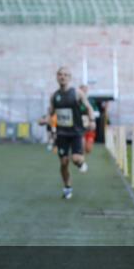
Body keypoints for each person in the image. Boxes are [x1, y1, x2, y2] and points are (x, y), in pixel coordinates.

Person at [39, 66, 95, 200]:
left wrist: (92, 120)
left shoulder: (76, 93)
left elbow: (89, 108)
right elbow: (50, 113)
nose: (62, 77)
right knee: (64, 163)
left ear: (69, 78)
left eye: (65, 75)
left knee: (75, 159)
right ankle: (67, 187)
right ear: (57, 77)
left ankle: (81, 162)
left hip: (76, 132)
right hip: (62, 134)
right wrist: (44, 120)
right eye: (60, 74)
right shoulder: (54, 96)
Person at [80, 84, 96, 157]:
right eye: (82, 89)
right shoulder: (76, 100)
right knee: (81, 140)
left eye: (85, 89)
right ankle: (80, 155)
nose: (84, 91)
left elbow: (94, 110)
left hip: (89, 122)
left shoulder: (91, 100)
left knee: (88, 149)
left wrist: (92, 121)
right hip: (79, 123)